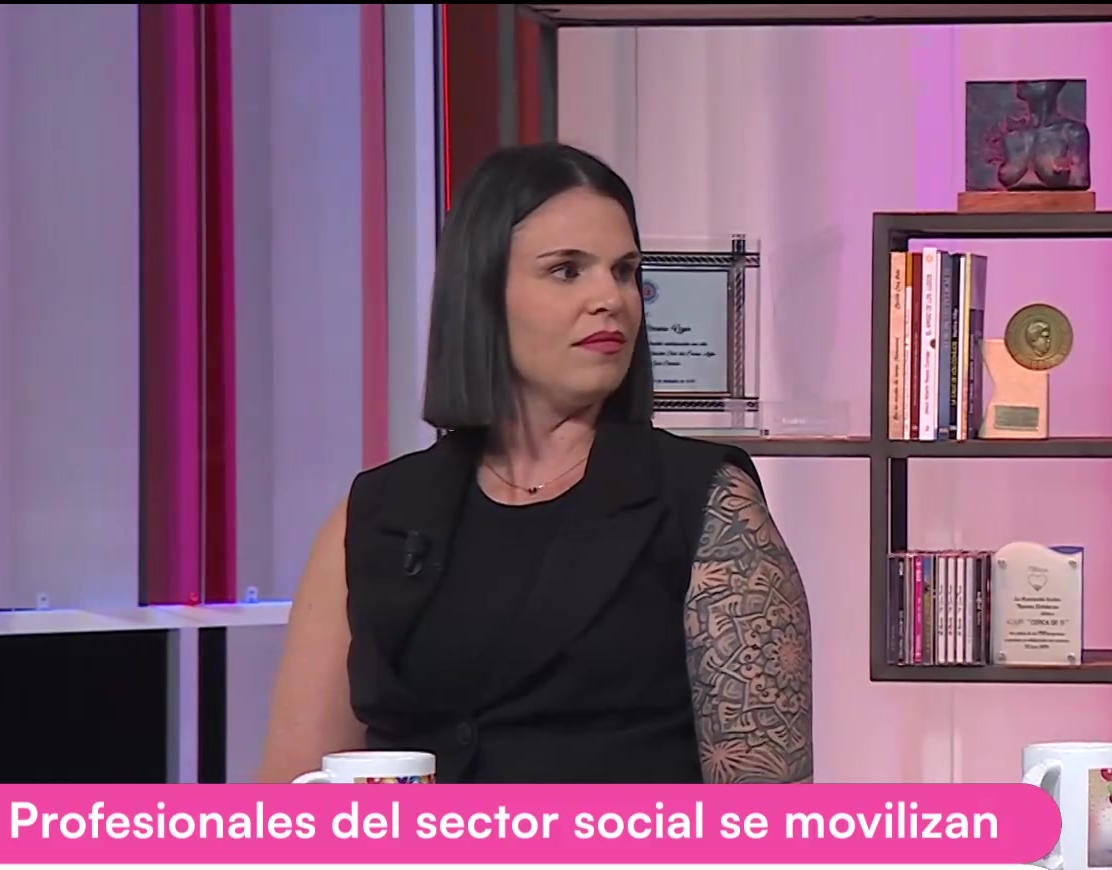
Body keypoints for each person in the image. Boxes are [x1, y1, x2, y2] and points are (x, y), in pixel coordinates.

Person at [258, 143, 814, 784]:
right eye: (567, 270)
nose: (611, 298)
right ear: (483, 296)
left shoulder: (707, 505)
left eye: (625, 271)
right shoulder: (377, 514)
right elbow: (291, 796)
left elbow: (766, 821)